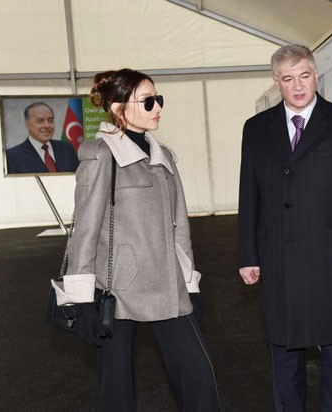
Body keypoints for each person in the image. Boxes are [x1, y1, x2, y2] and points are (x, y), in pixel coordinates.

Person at [62, 68, 221, 411]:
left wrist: (189, 284)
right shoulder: (100, 155)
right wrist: (81, 296)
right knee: (116, 388)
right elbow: (84, 230)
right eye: (148, 102)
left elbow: (180, 228)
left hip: (168, 285)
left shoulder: (165, 156)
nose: (157, 107)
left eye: (158, 99)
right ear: (118, 108)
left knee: (198, 372)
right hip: (116, 289)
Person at [238, 45, 332, 411]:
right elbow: (249, 196)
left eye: (304, 76)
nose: (298, 86)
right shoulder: (256, 129)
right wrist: (248, 254)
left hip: (331, 260)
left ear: (316, 75)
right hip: (278, 258)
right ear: (277, 82)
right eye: (288, 79)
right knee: (284, 354)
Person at [5, 102, 79, 174]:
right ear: (27, 124)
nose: (47, 125)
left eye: (50, 121)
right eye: (40, 121)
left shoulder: (66, 148)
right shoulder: (12, 156)